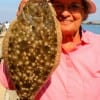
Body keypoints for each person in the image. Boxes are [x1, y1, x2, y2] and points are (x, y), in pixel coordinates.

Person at [0, 0, 100, 100]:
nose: (65, 13)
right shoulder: (32, 43)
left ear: (84, 13)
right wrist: (21, 24)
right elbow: (9, 83)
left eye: (74, 7)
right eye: (58, 6)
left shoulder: (97, 45)